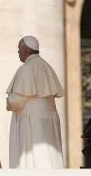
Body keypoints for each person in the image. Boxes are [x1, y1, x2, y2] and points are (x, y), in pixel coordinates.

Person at [6, 36, 65, 169]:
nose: (18, 53)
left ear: (25, 50)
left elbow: (17, 101)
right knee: (48, 157)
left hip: (31, 121)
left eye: (18, 50)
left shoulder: (26, 68)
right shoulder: (46, 66)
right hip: (48, 121)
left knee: (33, 160)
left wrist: (9, 102)